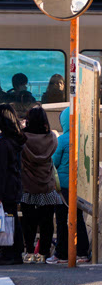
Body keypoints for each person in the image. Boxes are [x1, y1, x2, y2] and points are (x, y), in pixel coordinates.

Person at [20, 105, 64, 262]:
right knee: (46, 222)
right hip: (47, 185)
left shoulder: (22, 138)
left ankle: (29, 252)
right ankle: (43, 253)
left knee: (28, 221)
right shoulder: (52, 137)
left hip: (28, 187)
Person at [0, 103, 27, 265]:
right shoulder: (11, 139)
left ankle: (8, 254)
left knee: (6, 221)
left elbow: (0, 170)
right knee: (12, 220)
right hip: (13, 186)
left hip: (5, 189)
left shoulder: (3, 143)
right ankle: (14, 253)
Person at [50, 106, 90, 263]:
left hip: (63, 187)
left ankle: (61, 254)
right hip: (79, 185)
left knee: (61, 220)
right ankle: (82, 253)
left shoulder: (62, 140)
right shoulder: (84, 138)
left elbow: (53, 163)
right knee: (78, 218)